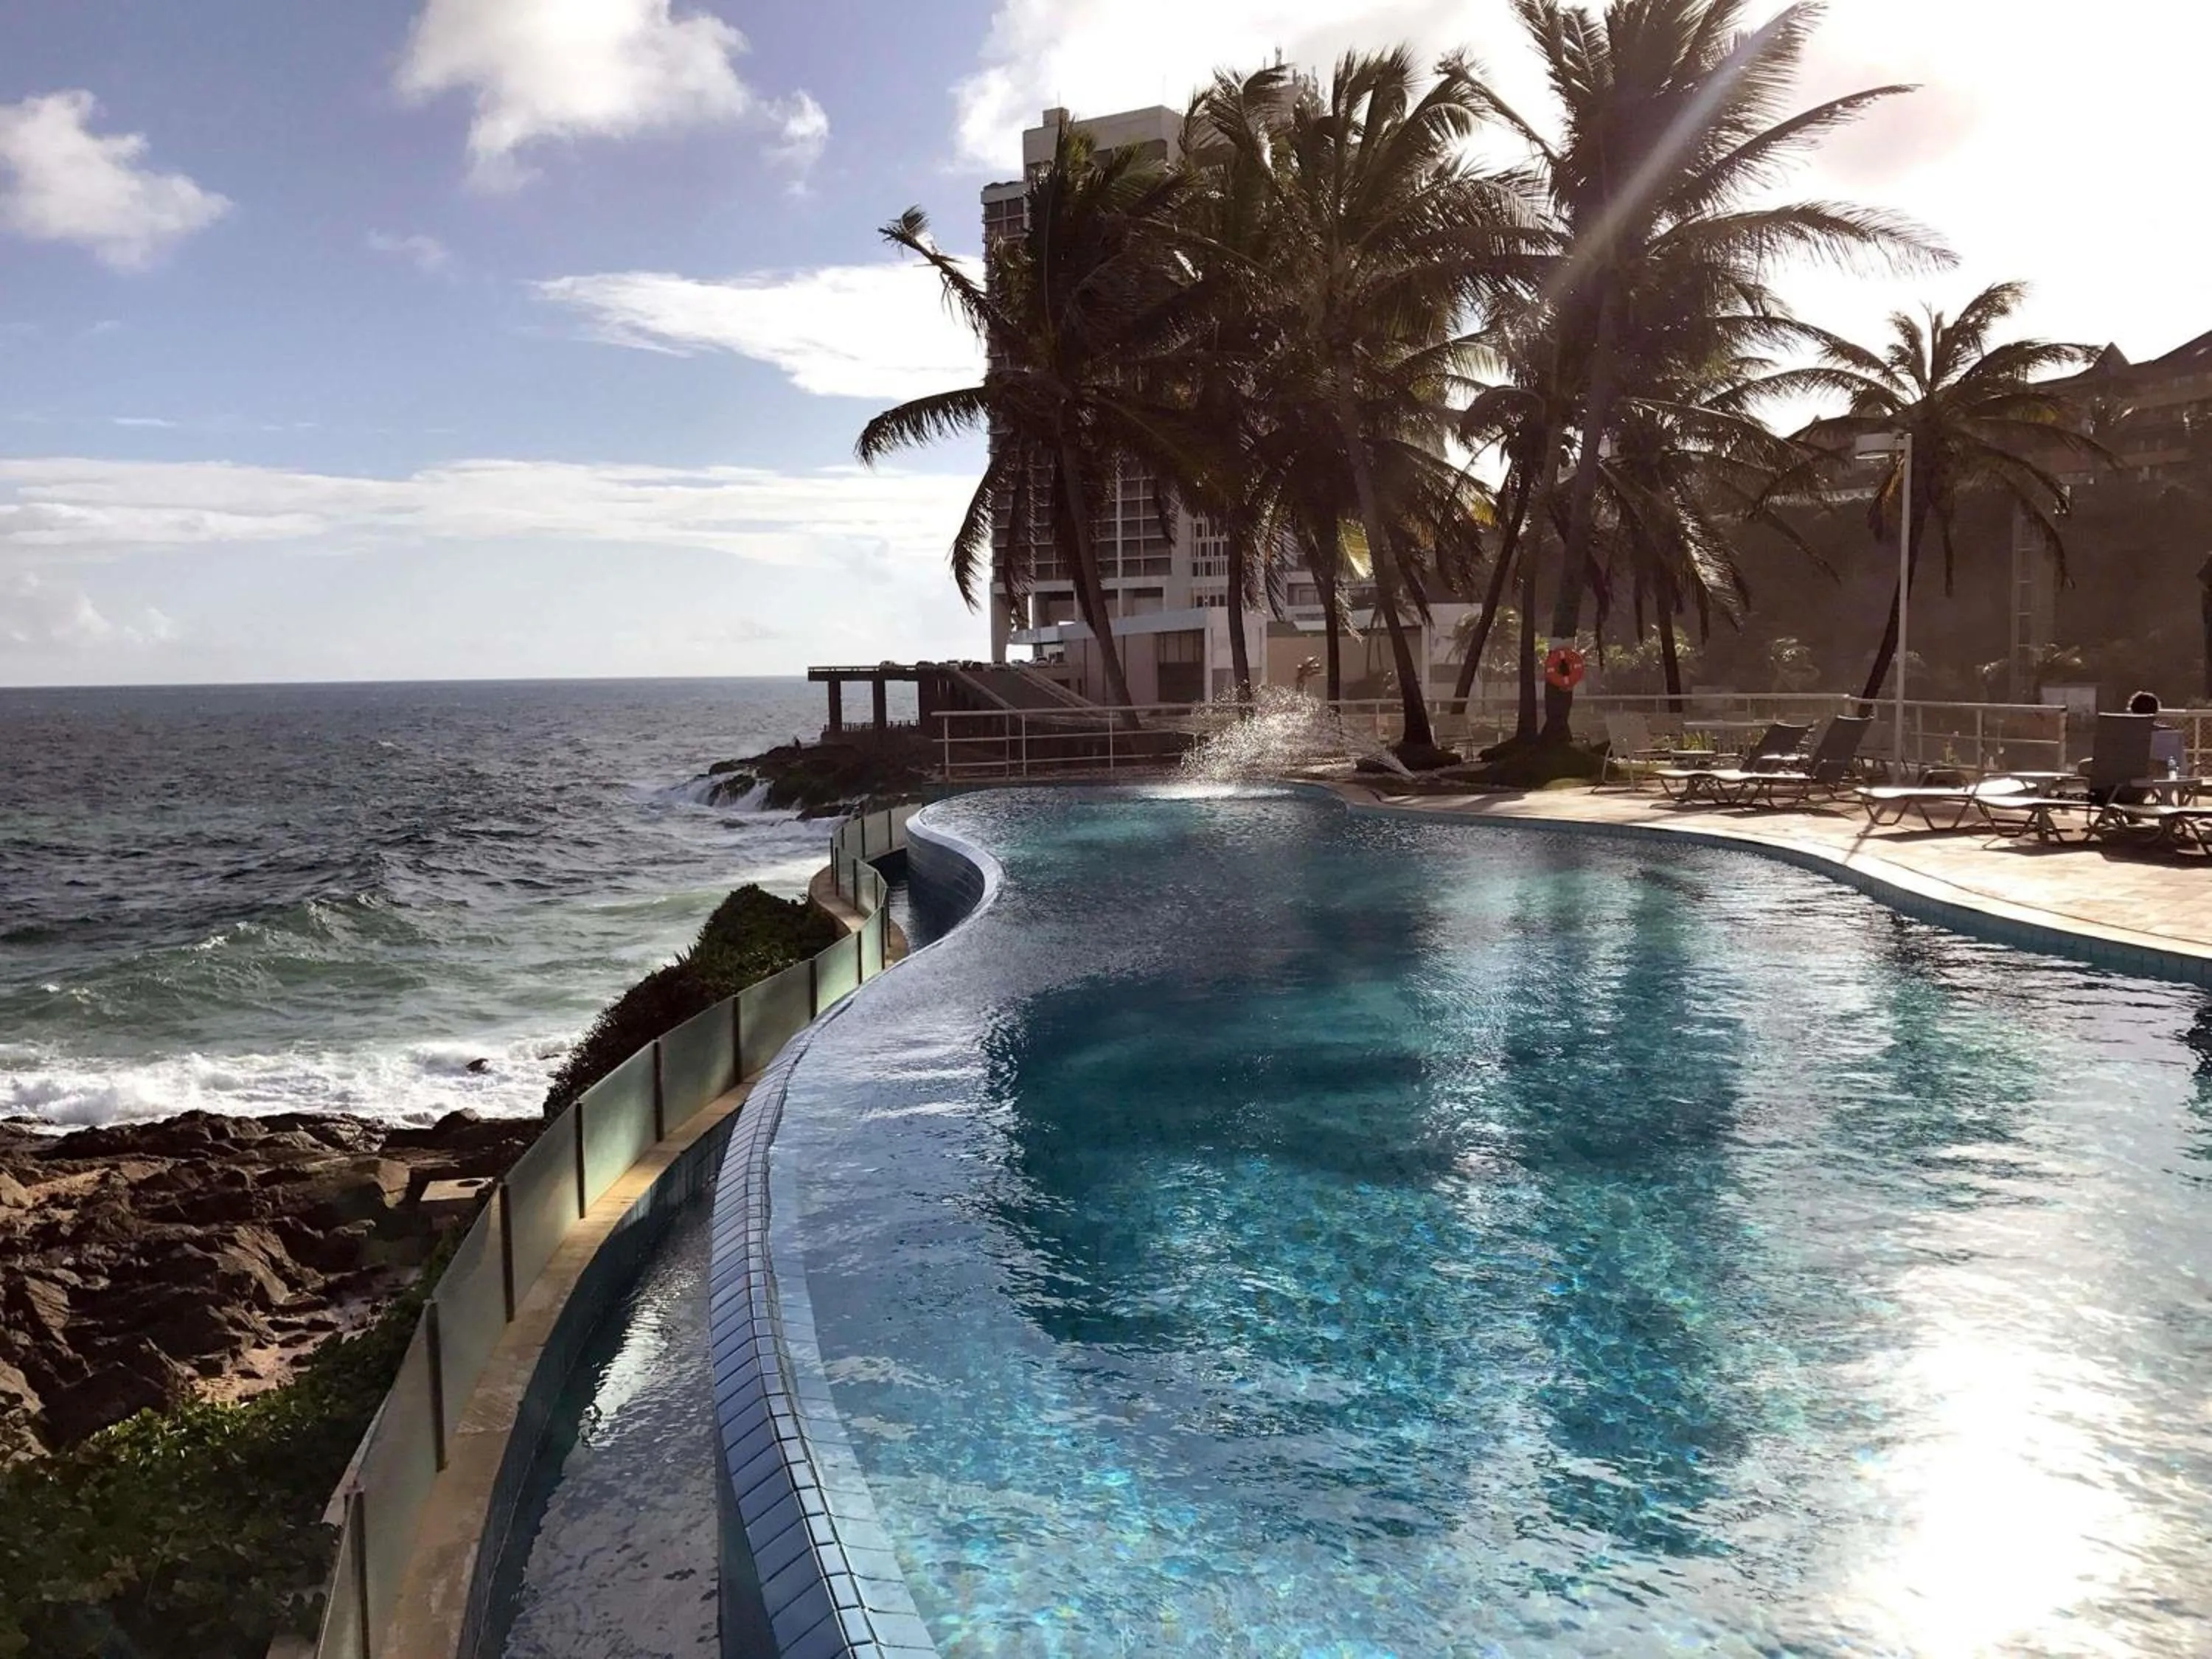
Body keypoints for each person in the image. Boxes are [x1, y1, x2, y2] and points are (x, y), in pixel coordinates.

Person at [2127, 691, 2188, 776]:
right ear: (2156, 710)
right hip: (2162, 780)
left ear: (2132, 710)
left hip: (2128, 780)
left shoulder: (2124, 734)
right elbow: (2181, 766)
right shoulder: (2169, 734)